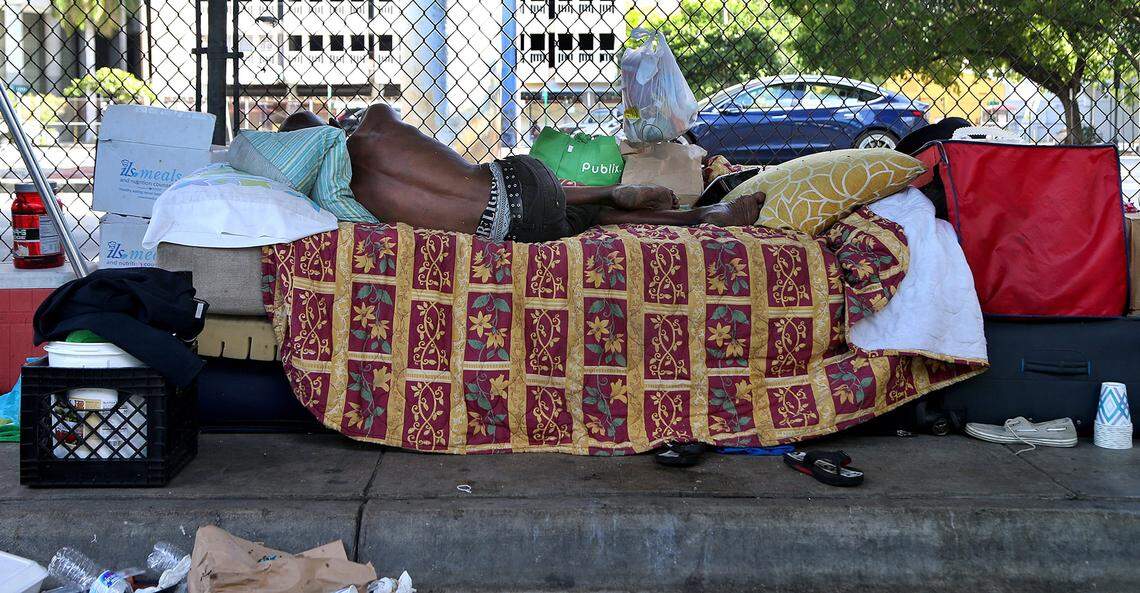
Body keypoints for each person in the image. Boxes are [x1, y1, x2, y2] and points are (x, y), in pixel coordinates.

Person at [282, 104, 764, 242]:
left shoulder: (342, 200)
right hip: (520, 182)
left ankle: (697, 215)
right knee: (513, 186)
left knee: (581, 222)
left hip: (509, 230)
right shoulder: (377, 121)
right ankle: (610, 192)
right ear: (329, 127)